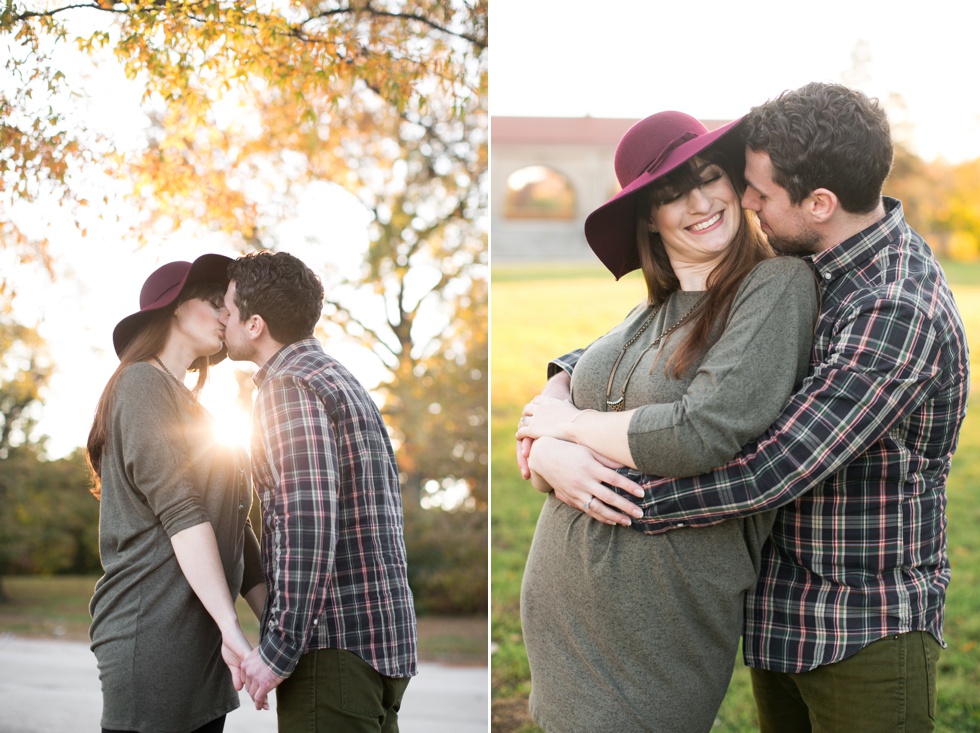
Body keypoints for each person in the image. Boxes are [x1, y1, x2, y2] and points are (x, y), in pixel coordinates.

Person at [522, 83, 970, 732]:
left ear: (818, 204)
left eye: (750, 187)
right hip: (778, 613)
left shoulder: (890, 306)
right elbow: (651, 339)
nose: (743, 199)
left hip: (860, 620)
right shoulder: (818, 263)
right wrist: (556, 398)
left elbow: (762, 470)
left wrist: (587, 477)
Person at [512, 110, 820, 732]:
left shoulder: (776, 286)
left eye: (711, 178)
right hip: (564, 634)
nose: (700, 201)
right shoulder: (647, 312)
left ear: (736, 185)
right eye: (672, 193)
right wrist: (546, 451)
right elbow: (567, 388)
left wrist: (563, 430)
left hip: (657, 635)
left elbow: (698, 432)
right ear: (650, 216)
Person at [218, 251, 418, 732]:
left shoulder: (287, 387)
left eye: (227, 309)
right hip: (377, 642)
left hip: (333, 649)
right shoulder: (337, 378)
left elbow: (307, 522)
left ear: (254, 325)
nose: (221, 318)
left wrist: (278, 651)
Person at [87, 254, 267, 733]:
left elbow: (236, 530)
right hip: (153, 639)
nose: (227, 316)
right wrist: (233, 629)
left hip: (202, 646)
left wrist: (276, 627)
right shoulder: (141, 383)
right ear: (172, 310)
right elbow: (182, 514)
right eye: (214, 303)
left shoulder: (196, 408)